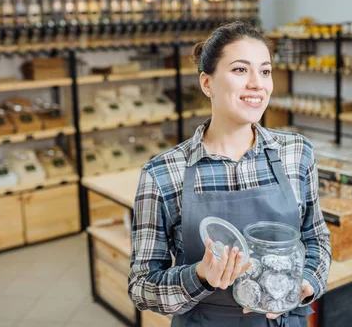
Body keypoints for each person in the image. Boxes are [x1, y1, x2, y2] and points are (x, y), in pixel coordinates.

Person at [128, 21, 331, 326]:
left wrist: (303, 285)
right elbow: (142, 287)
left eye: (265, 71)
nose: (257, 84)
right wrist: (198, 275)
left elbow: (316, 240)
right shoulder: (163, 173)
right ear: (206, 83)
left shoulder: (296, 153)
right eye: (240, 70)